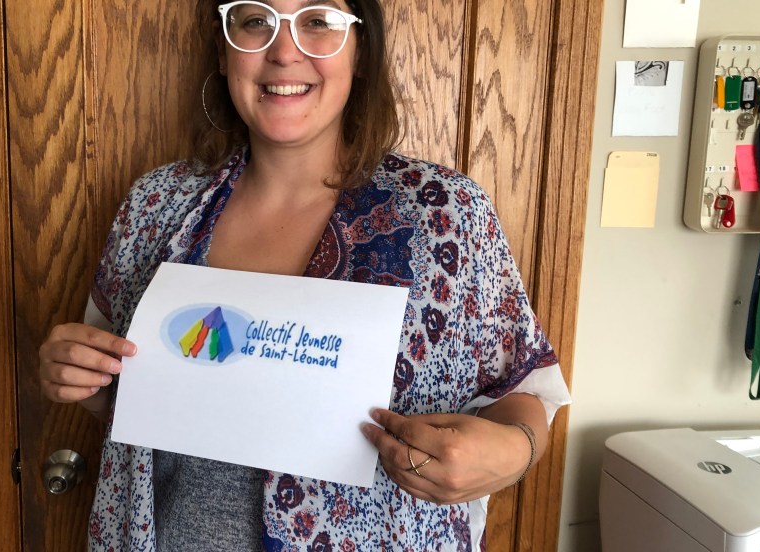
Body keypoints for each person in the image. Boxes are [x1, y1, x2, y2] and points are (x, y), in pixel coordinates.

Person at [38, 0, 572, 550]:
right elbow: (123, 393)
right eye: (256, 20)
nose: (285, 51)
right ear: (224, 51)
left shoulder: (444, 214)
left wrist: (513, 453)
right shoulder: (157, 205)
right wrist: (78, 379)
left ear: (360, 52)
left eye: (317, 21)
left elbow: (524, 391)